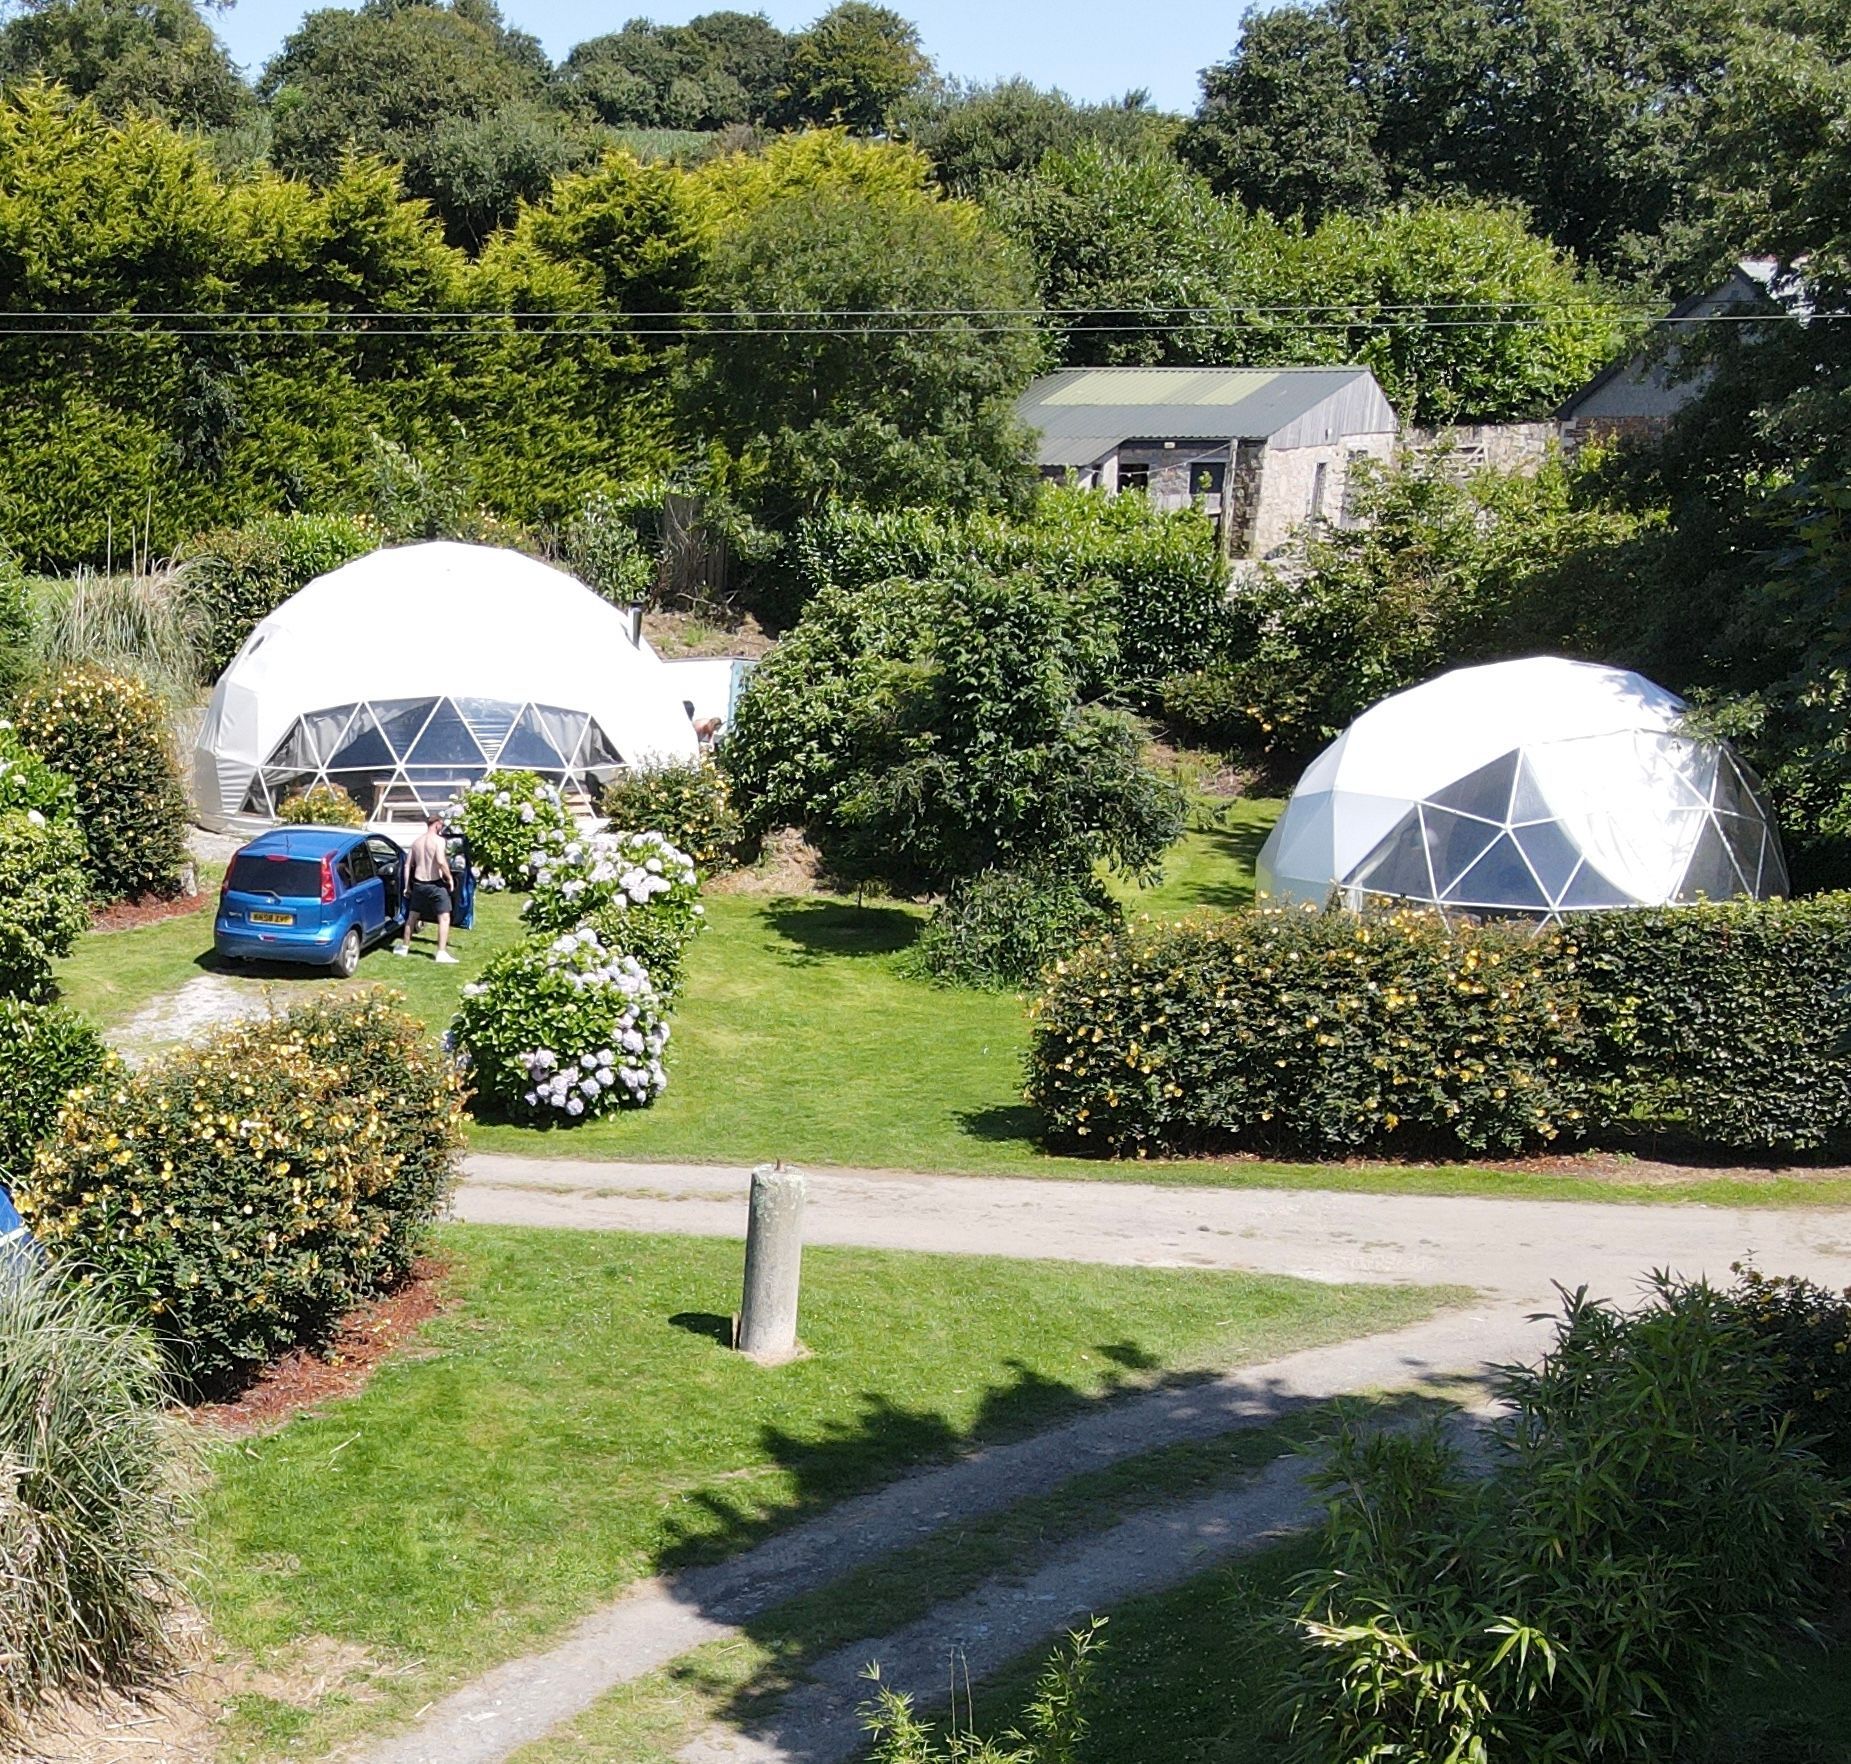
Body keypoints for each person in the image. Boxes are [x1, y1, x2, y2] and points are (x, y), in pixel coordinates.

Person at [395, 812, 459, 963]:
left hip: (418, 884)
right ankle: (441, 953)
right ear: (437, 824)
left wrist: (407, 886)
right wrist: (449, 878)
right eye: (441, 825)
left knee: (412, 916)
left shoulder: (417, 842)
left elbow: (407, 865)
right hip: (434, 884)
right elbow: (441, 861)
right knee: (444, 917)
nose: (441, 828)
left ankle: (404, 947)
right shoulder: (439, 841)